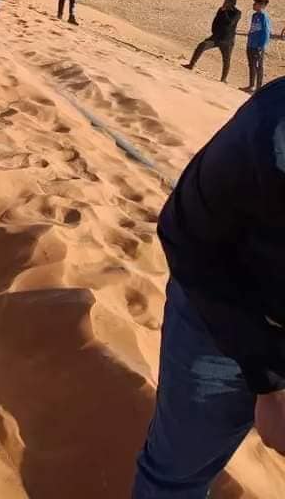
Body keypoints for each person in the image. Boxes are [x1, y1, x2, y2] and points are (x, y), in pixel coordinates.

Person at [132, 77, 285, 498]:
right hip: (225, 327)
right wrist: (270, 384)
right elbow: (185, 234)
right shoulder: (274, 124)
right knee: (175, 473)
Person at [183, 0, 241, 83]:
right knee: (202, 45)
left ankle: (223, 79)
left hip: (227, 40)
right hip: (216, 37)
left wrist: (224, 12)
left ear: (231, 3)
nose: (224, 3)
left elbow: (230, 23)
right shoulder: (220, 9)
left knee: (226, 59)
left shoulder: (237, 13)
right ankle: (191, 65)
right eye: (224, 1)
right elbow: (215, 21)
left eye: (227, 1)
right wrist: (214, 33)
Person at [243, 0, 271, 93]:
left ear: (262, 5)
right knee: (251, 65)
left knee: (258, 67)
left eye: (256, 4)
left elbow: (266, 32)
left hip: (258, 46)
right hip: (250, 44)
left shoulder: (264, 16)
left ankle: (258, 89)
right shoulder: (254, 15)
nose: (253, 5)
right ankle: (251, 86)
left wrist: (261, 45)